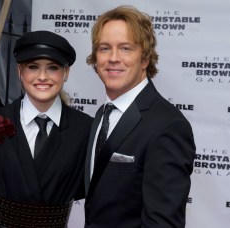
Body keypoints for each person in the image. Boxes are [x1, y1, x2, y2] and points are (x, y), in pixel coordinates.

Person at [0, 30, 93, 228]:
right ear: (20, 72)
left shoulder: (86, 129)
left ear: (66, 73)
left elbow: (93, 194)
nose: (42, 77)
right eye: (33, 67)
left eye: (53, 68)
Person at [84, 5, 196, 228]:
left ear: (145, 59)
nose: (113, 58)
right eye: (105, 48)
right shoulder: (103, 113)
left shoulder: (168, 126)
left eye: (125, 48)